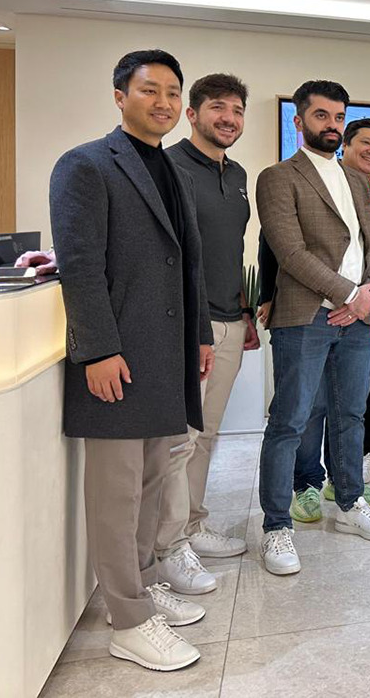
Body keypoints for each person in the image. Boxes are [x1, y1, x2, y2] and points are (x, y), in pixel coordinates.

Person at [50, 48, 214, 671]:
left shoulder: (172, 169)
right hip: (116, 356)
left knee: (152, 480)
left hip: (166, 355)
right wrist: (97, 349)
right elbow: (80, 266)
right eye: (150, 90)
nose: (164, 102)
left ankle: (142, 583)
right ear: (121, 96)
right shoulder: (86, 164)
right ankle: (127, 619)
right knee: (116, 493)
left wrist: (200, 334)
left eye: (173, 92)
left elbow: (188, 263)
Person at [256, 80, 370, 577]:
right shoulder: (278, 177)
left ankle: (350, 503)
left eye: (338, 117)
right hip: (305, 316)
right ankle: (277, 526)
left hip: (357, 317)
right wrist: (348, 294)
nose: (332, 125)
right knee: (290, 421)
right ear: (299, 121)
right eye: (321, 116)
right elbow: (290, 252)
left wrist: (367, 294)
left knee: (350, 415)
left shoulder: (356, 179)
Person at [152, 73, 259, 597]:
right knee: (180, 441)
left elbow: (229, 250)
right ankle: (167, 548)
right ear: (192, 114)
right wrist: (192, 327)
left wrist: (244, 312)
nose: (229, 118)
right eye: (218, 107)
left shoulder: (236, 173)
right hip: (188, 328)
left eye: (237, 110)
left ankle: (192, 526)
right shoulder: (168, 168)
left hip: (230, 320)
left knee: (207, 435)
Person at [291, 118, 370, 516]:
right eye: (365, 143)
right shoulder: (315, 182)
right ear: (345, 145)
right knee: (312, 407)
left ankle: (344, 480)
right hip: (317, 310)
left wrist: (366, 299)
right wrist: (266, 295)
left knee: (350, 407)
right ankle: (306, 483)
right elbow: (281, 245)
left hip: (365, 314)